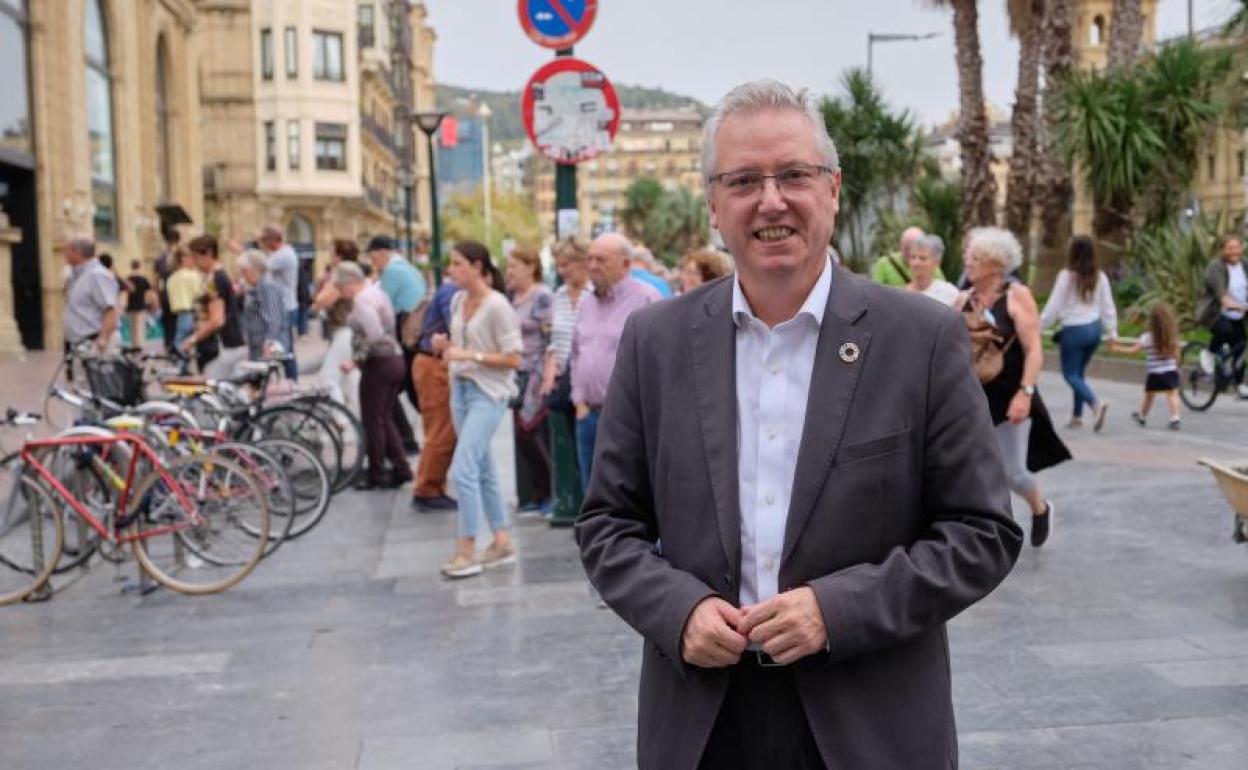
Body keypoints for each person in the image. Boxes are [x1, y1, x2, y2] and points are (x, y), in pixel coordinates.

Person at [576, 80, 1022, 770]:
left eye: (793, 175)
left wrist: (837, 610)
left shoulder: (921, 339)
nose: (771, 199)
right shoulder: (654, 342)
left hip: (869, 722)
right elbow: (607, 524)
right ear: (714, 206)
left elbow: (983, 532)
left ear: (833, 190)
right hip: (703, 723)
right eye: (744, 180)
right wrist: (678, 610)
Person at [956, 226, 1069, 550]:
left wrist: (1026, 393)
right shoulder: (963, 299)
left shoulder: (1017, 296)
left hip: (1011, 397)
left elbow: (1034, 350)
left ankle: (1040, 508)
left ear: (995, 265)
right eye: (970, 256)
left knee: (1013, 472)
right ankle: (984, 529)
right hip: (973, 400)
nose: (969, 262)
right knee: (969, 469)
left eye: (976, 257)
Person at [430, 241, 522, 579]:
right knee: (482, 468)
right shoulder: (457, 301)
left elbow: (514, 357)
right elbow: (462, 347)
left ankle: (466, 549)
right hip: (461, 391)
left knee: (463, 468)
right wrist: (448, 347)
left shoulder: (497, 306)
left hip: (488, 393)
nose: (451, 270)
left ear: (477, 266)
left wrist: (469, 356)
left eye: (456, 264)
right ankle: (500, 540)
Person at [570, 233, 661, 489]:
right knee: (591, 493)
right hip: (587, 414)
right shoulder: (587, 303)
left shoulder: (647, 299)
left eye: (602, 260)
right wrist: (579, 400)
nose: (593, 266)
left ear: (625, 264)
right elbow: (576, 352)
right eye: (590, 259)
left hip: (627, 418)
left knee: (627, 491)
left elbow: (659, 360)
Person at [334, 261, 413, 491]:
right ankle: (400, 467)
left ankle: (377, 472)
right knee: (384, 417)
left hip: (379, 363)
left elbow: (374, 333)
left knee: (372, 420)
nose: (341, 293)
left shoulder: (361, 300)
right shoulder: (377, 293)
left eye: (341, 287)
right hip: (394, 360)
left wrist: (356, 359)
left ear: (349, 282)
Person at [1039, 236, 1118, 429]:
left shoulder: (1066, 276)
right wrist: (1112, 332)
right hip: (1094, 330)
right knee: (1079, 374)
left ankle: (1095, 404)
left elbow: (1053, 306)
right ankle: (1077, 416)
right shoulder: (1100, 276)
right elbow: (1108, 306)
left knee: (1070, 375)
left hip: (1074, 330)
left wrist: (1038, 328)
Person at [367, 235, 426, 455]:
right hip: (413, 332)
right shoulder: (406, 266)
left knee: (391, 388)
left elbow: (382, 303)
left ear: (383, 253)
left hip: (405, 332)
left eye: (374, 259)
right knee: (399, 389)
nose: (375, 264)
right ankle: (405, 439)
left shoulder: (392, 271)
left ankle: (406, 440)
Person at [506, 247, 554, 516]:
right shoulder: (513, 297)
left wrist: (546, 372)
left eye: (514, 265)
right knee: (521, 434)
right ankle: (535, 493)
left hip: (535, 372)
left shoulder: (542, 296)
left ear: (530, 267)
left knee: (531, 431)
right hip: (517, 373)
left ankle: (548, 492)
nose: (510, 271)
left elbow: (550, 337)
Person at [411, 273, 460, 512]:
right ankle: (427, 489)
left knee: (441, 429)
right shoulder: (452, 292)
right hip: (434, 363)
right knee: (441, 429)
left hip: (433, 363)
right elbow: (458, 328)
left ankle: (433, 485)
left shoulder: (450, 290)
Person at [183, 235, 247, 379]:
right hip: (223, 344)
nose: (193, 262)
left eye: (195, 256)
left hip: (218, 346)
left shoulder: (214, 279)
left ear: (208, 254)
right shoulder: (218, 276)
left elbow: (217, 319)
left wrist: (193, 339)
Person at [1111, 301, 1183, 430]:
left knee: (1149, 396)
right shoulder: (1172, 337)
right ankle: (1175, 417)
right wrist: (1177, 366)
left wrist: (1117, 348)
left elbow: (1133, 351)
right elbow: (1177, 355)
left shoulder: (1146, 338)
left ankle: (1142, 416)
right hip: (1170, 370)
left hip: (1154, 373)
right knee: (1172, 394)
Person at [1196, 235, 1248, 398]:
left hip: (1239, 314)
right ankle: (1209, 353)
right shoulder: (1215, 267)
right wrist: (1238, 306)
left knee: (1241, 347)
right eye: (1230, 248)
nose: (1234, 251)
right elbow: (1222, 297)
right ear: (1222, 250)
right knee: (1225, 331)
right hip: (1214, 312)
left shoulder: (1245, 265)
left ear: (1241, 248)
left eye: (1236, 247)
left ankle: (1238, 384)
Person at [62, 236, 120, 352]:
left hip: (94, 342)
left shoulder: (97, 275)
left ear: (77, 253)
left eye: (67, 250)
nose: (64, 254)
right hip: (76, 342)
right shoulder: (75, 275)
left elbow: (110, 311)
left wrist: (102, 340)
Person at [258, 224, 300, 378]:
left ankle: (291, 382)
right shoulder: (284, 253)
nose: (264, 245)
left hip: (284, 306)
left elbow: (259, 267)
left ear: (272, 240)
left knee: (283, 348)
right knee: (284, 348)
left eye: (264, 241)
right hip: (285, 305)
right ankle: (289, 381)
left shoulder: (283, 255)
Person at [237, 249, 290, 363]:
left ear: (254, 270)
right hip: (258, 345)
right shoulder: (256, 286)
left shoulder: (267, 286)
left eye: (244, 271)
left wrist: (269, 343)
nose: (242, 275)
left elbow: (273, 318)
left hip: (266, 348)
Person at [871, 225, 945, 288]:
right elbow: (875, 291)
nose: (909, 252)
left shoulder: (931, 264)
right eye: (906, 248)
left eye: (913, 248)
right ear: (900, 245)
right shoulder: (884, 263)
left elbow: (942, 287)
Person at [165, 247, 203, 360]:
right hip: (192, 312)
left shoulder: (171, 278)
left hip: (178, 314)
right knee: (184, 344)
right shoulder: (192, 275)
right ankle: (181, 368)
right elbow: (199, 294)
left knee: (181, 340)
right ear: (184, 259)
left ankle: (181, 367)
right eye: (192, 258)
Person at [905, 235, 959, 306]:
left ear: (936, 263)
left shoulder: (949, 293)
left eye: (922, 258)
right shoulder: (901, 294)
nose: (916, 263)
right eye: (913, 257)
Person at [154, 228, 180, 353]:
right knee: (172, 322)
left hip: (169, 293)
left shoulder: (162, 258)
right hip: (172, 294)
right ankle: (172, 346)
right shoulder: (163, 258)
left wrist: (156, 295)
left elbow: (156, 280)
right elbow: (156, 279)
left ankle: (171, 346)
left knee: (172, 323)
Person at [123, 259, 156, 347]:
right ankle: (140, 344)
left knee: (132, 327)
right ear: (139, 266)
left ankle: (134, 344)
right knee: (140, 326)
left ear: (131, 266)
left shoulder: (129, 279)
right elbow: (150, 292)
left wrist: (125, 304)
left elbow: (127, 293)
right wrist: (151, 304)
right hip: (141, 305)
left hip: (131, 305)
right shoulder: (143, 279)